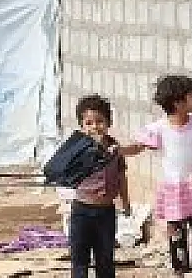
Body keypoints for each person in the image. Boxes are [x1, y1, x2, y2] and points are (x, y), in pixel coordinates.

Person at [121, 75, 192, 277]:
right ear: (178, 103)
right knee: (176, 234)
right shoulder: (159, 128)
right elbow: (138, 146)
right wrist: (120, 150)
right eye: (191, 95)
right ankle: (179, 271)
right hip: (173, 190)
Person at [68, 95, 131, 278]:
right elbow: (65, 172)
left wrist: (125, 202)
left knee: (105, 260)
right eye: (88, 123)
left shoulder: (115, 149)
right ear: (81, 126)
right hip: (81, 211)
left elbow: (121, 176)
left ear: (108, 122)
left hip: (106, 213)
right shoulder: (78, 149)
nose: (95, 127)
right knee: (80, 261)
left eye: (100, 121)